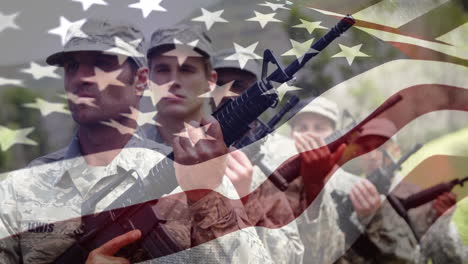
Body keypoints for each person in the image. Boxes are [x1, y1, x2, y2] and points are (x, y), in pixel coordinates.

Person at [143, 25, 274, 263]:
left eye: (187, 69)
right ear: (148, 79)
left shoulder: (240, 164)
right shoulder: (115, 158)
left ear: (210, 81)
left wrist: (244, 200)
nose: (174, 81)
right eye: (163, 69)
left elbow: (290, 254)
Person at [212, 49, 305, 264]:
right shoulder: (186, 142)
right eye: (220, 84)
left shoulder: (272, 162)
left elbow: (292, 255)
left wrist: (247, 202)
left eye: (238, 86)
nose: (227, 93)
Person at [335, 118, 457, 264]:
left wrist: (443, 224)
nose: (373, 157)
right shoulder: (346, 197)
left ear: (397, 151)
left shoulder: (423, 200)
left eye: (381, 148)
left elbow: (450, 260)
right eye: (366, 149)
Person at [285, 97, 350, 264]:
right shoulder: (274, 180)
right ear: (292, 134)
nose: (310, 134)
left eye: (319, 128)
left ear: (335, 133)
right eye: (302, 127)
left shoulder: (350, 186)